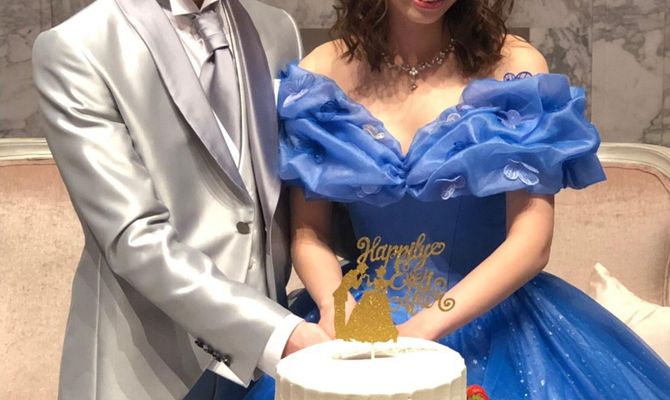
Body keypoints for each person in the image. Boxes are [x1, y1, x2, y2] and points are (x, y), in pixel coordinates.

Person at [244, 0, 670, 399]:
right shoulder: (323, 73)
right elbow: (309, 233)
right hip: (360, 312)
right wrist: (336, 307)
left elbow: (532, 242)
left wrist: (423, 329)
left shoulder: (514, 67)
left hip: (494, 313)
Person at [31, 0, 331, 399]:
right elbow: (133, 236)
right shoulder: (78, 46)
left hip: (264, 375)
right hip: (150, 369)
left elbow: (300, 190)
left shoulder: (277, 29)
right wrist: (278, 334)